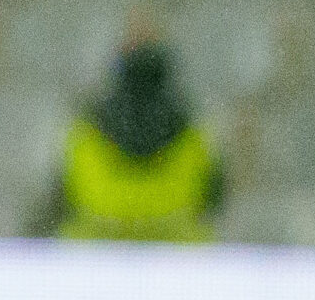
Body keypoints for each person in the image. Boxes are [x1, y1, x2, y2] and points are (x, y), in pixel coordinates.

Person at [45, 42, 225, 242]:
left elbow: (59, 198)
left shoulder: (85, 131)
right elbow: (215, 196)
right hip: (177, 250)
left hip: (96, 249)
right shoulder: (194, 134)